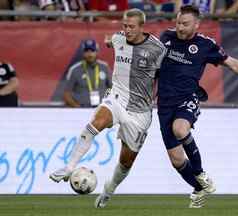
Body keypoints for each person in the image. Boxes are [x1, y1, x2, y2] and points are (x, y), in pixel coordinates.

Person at [157, 4, 238, 208]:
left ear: (197, 24)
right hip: (164, 103)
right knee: (176, 160)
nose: (180, 27)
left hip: (188, 98)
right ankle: (199, 187)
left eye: (185, 24)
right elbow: (152, 67)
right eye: (178, 22)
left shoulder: (205, 45)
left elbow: (233, 64)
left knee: (180, 129)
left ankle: (200, 173)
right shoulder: (165, 38)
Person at [49, 8, 166, 208]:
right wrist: (108, 42)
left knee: (126, 162)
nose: (127, 30)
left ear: (141, 27)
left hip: (140, 112)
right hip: (116, 98)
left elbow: (166, 76)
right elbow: (112, 41)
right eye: (124, 26)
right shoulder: (119, 38)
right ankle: (69, 167)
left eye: (131, 27)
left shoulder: (157, 49)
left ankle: (108, 191)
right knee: (96, 123)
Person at [63, 39, 112, 108]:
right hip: (81, 110)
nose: (90, 54)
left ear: (97, 52)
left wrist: (108, 104)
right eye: (87, 51)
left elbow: (113, 89)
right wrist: (77, 108)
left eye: (92, 51)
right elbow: (66, 94)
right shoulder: (75, 69)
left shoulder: (104, 67)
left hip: (102, 109)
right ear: (83, 52)